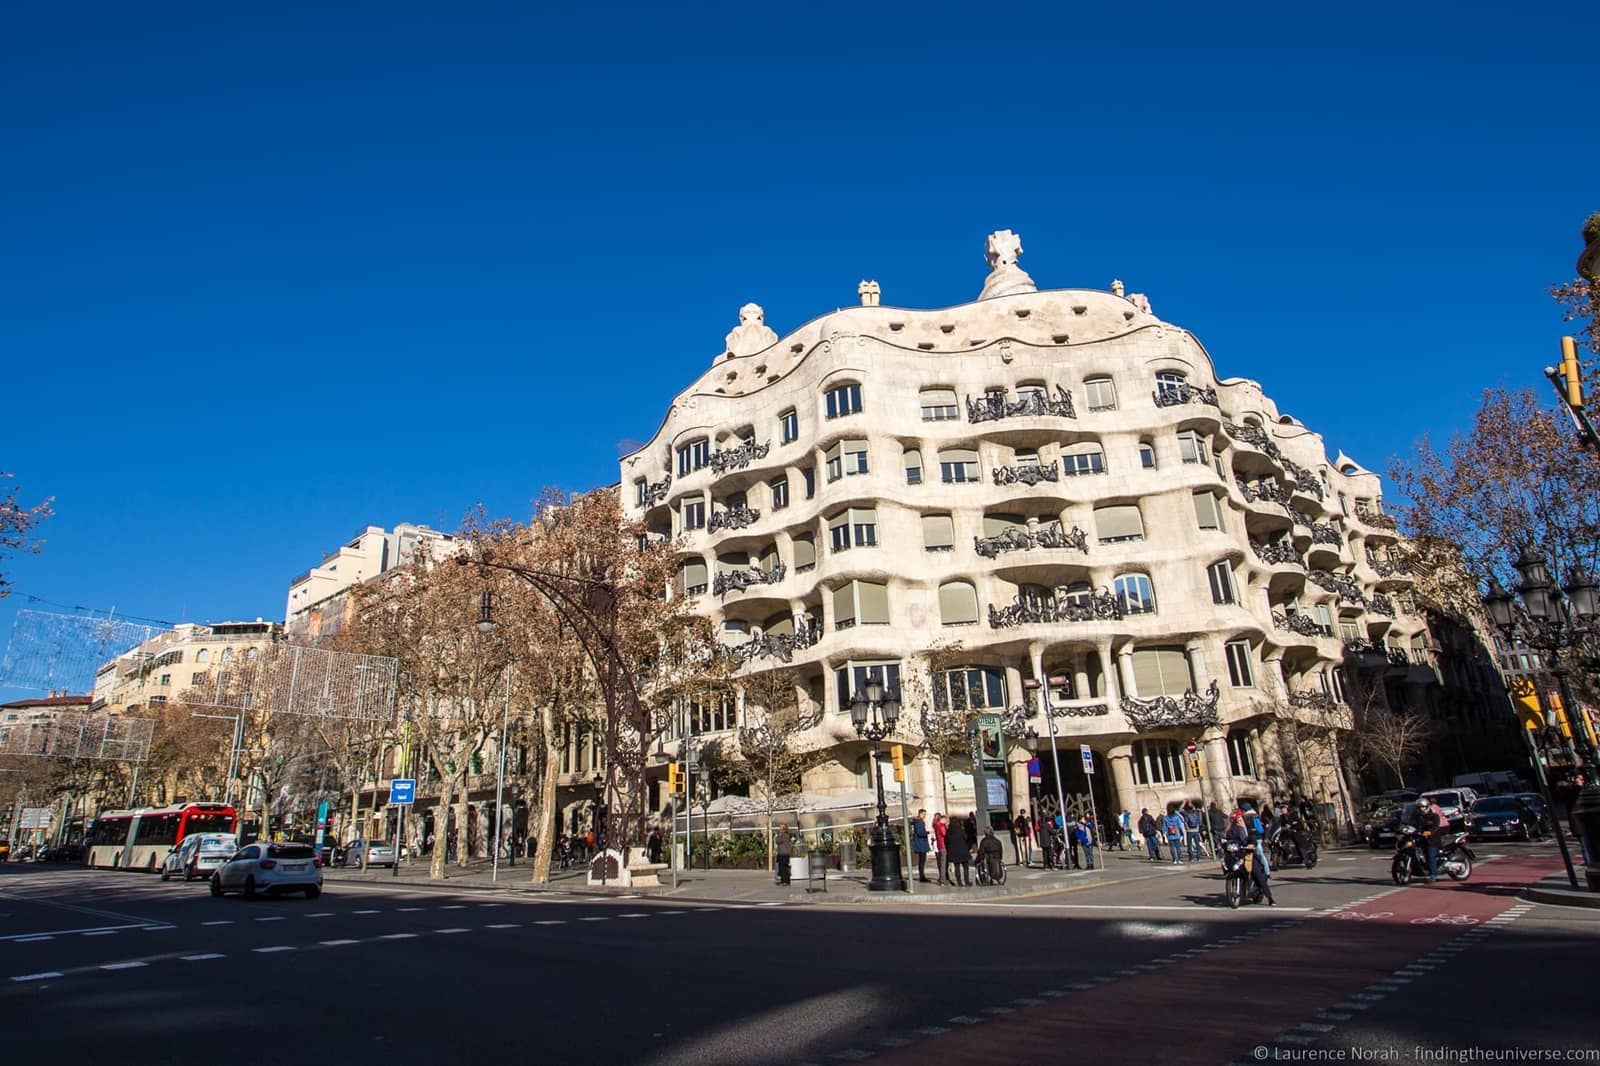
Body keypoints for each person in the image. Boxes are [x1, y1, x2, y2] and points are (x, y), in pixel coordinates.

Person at [1226, 809, 1275, 905]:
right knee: (1229, 865)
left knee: (1257, 873)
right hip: (1237, 853)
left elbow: (1253, 837)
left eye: (1240, 820)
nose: (1239, 822)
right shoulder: (1232, 830)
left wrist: (1252, 844)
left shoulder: (1248, 828)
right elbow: (1229, 839)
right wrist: (1225, 844)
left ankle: (1269, 897)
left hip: (1248, 854)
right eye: (1237, 821)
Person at [1415, 796, 1442, 882]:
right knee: (1424, 855)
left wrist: (1430, 832)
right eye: (1419, 808)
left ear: (1427, 807)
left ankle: (1433, 875)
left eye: (1423, 807)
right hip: (1423, 839)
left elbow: (1436, 827)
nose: (1421, 809)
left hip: (1433, 840)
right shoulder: (1419, 817)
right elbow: (1414, 825)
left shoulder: (1434, 816)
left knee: (1431, 856)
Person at [945, 814, 972, 886]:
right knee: (965, 867)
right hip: (963, 851)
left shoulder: (949, 831)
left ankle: (959, 882)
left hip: (954, 852)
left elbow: (946, 841)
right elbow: (966, 838)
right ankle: (967, 881)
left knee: (957, 867)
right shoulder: (960, 829)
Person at [911, 809, 932, 883]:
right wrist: (927, 832)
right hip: (921, 844)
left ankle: (922, 876)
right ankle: (922, 876)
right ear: (920, 814)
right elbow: (920, 833)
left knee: (922, 860)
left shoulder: (918, 822)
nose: (924, 816)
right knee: (922, 860)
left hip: (920, 843)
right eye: (924, 814)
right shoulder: (919, 822)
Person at [933, 813, 950, 885]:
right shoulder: (941, 826)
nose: (947, 822)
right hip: (943, 845)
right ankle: (943, 879)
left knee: (941, 862)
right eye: (946, 820)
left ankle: (942, 878)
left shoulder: (936, 825)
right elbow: (945, 835)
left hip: (939, 845)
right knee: (943, 863)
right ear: (943, 819)